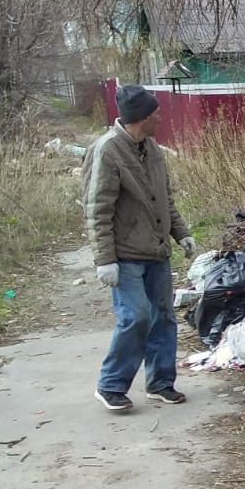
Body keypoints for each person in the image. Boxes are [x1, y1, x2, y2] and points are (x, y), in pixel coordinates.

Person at [83, 84, 198, 411]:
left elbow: (165, 198)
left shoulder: (152, 148)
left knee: (163, 317)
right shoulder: (107, 150)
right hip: (125, 254)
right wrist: (105, 260)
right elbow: (97, 208)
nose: (160, 118)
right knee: (135, 317)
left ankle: (161, 383)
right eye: (156, 113)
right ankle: (111, 385)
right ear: (141, 118)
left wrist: (181, 233)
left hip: (156, 250)